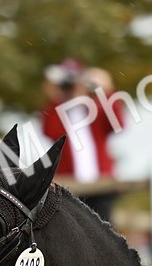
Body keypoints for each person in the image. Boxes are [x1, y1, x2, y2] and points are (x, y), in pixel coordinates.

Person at [40, 58, 124, 223]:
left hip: (101, 184)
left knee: (105, 229)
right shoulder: (59, 111)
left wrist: (106, 90)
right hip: (69, 186)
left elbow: (118, 124)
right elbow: (50, 131)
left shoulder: (96, 109)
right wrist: (55, 96)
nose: (73, 88)